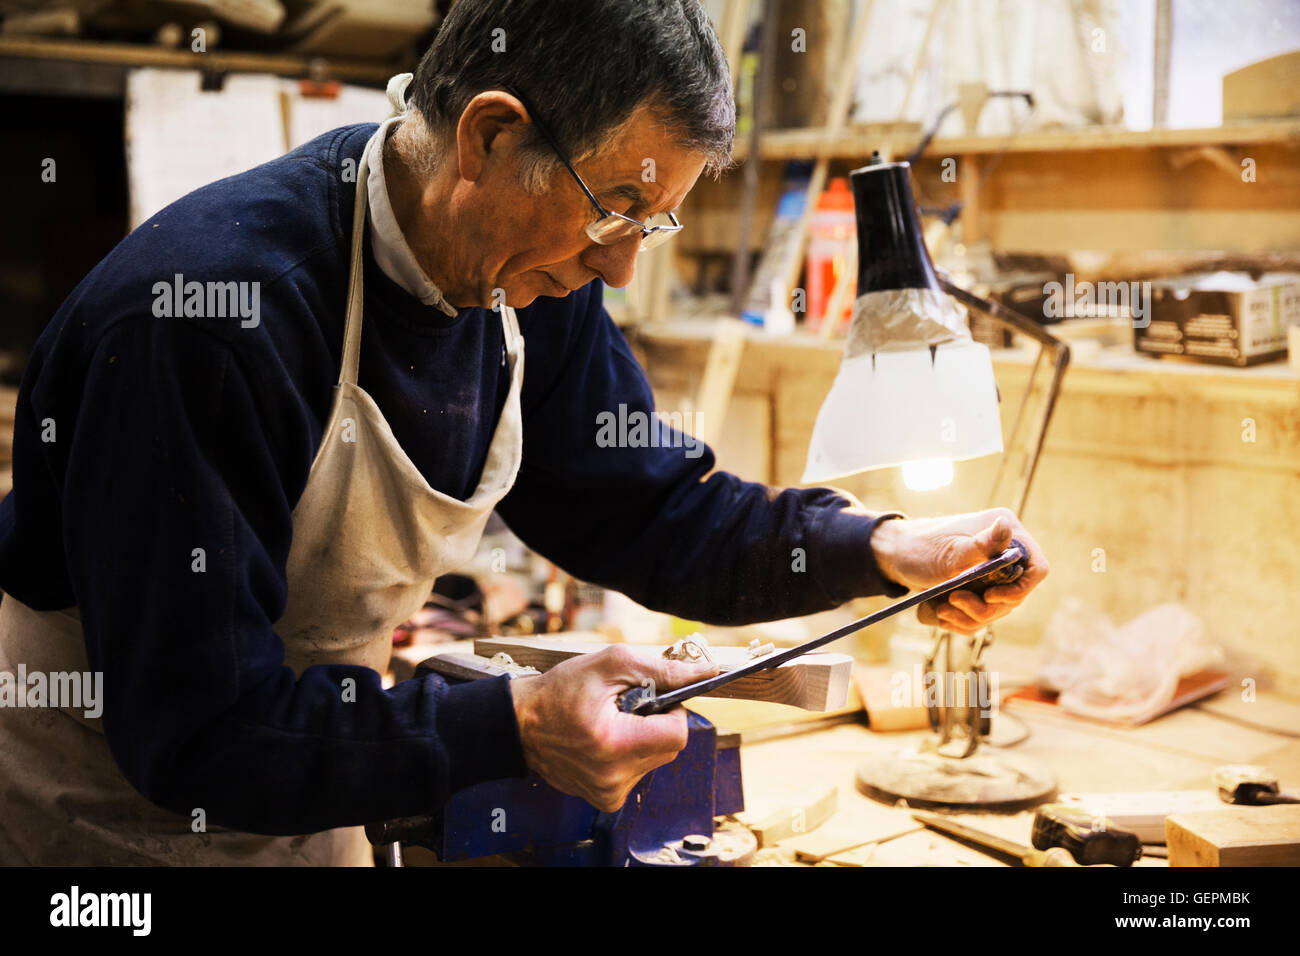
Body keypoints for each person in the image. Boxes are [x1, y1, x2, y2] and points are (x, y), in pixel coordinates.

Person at [0, 0, 1047, 865]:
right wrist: (511, 724)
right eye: (617, 207)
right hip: (102, 814)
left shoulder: (528, 288)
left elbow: (651, 508)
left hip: (310, 787)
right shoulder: (214, 321)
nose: (623, 266)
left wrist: (880, 547)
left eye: (655, 220)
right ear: (490, 136)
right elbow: (198, 727)